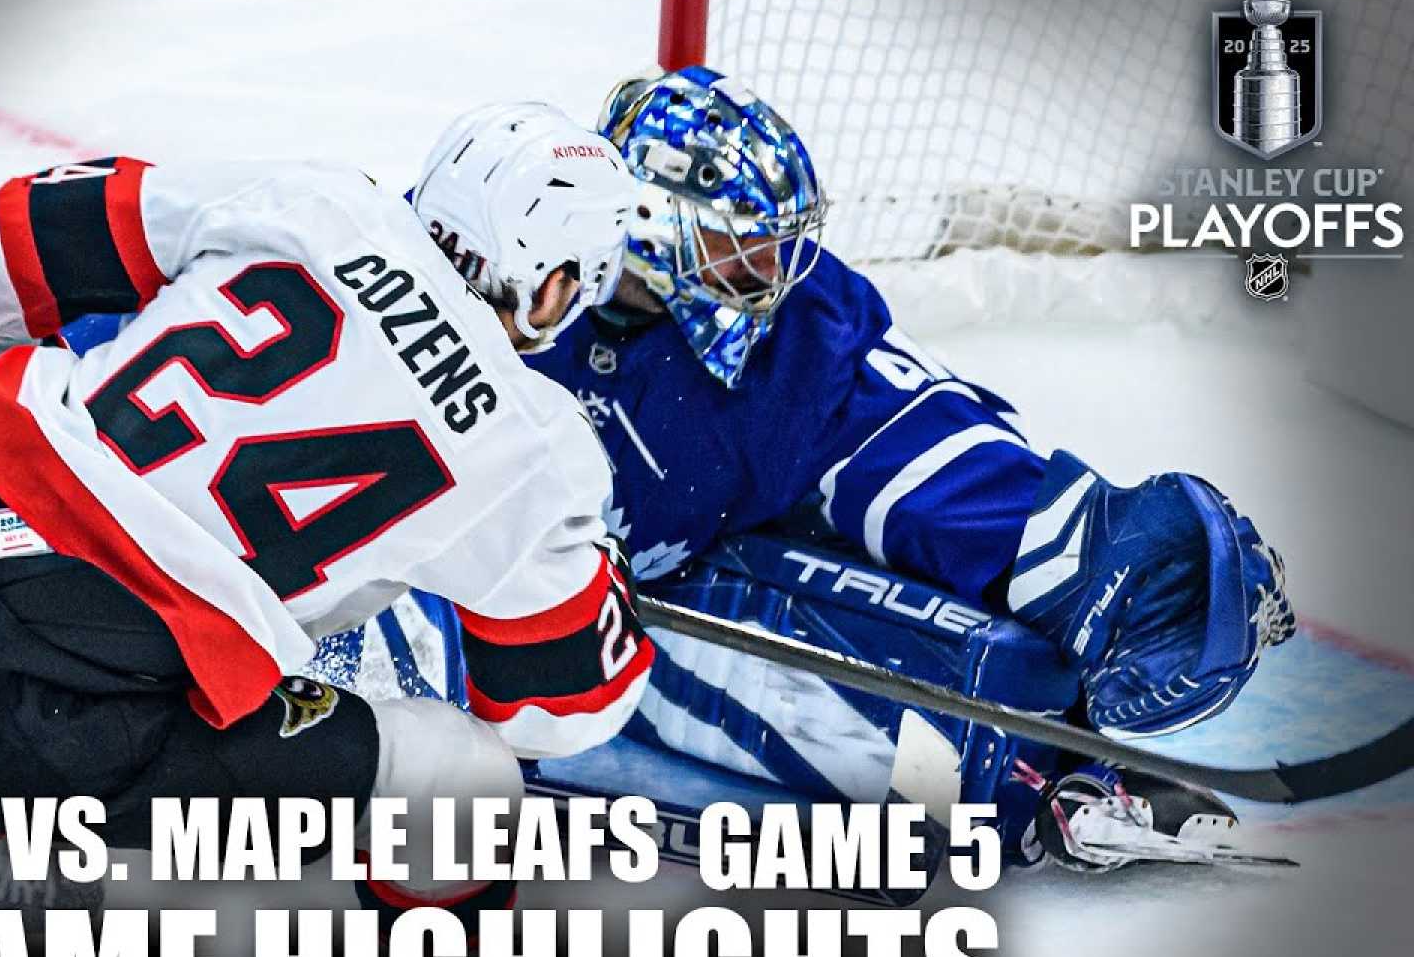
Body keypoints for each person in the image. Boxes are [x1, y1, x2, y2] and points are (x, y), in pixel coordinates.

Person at [0, 103, 657, 957]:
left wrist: (15, 489)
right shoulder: (534, 445)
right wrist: (595, 574)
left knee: (37, 611)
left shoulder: (314, 200)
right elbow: (555, 711)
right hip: (58, 719)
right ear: (555, 284)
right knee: (455, 767)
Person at [515, 66, 1299, 870]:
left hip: (685, 542)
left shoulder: (789, 339)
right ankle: (1027, 775)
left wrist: (1117, 563)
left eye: (774, 242)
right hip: (549, 583)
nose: (770, 267)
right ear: (651, 219)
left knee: (1005, 636)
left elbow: (922, 449)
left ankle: (1060, 761)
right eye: (742, 242)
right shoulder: (514, 269)